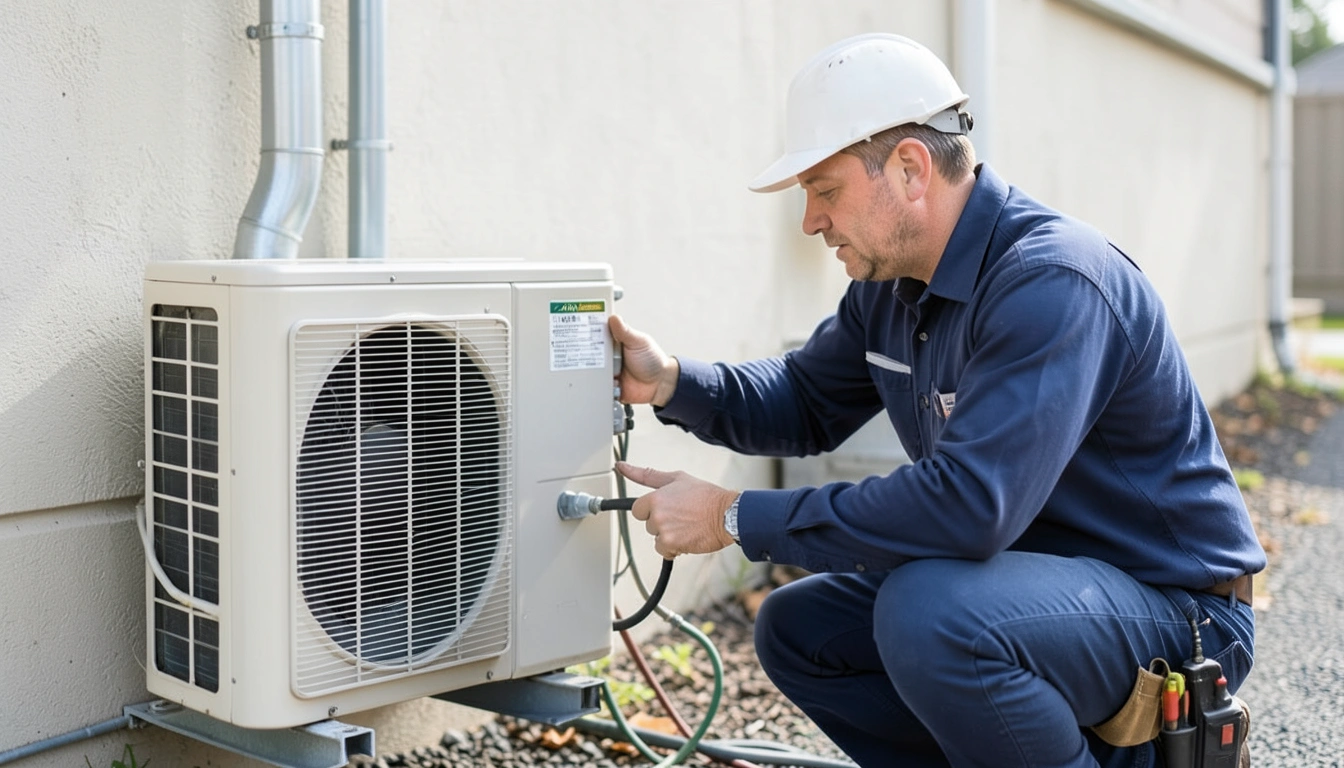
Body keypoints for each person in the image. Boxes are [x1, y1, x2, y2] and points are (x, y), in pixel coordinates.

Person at [609, 33, 1265, 768]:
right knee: (801, 628)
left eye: (825, 191)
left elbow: (968, 507)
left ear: (912, 168)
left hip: (1175, 611)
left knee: (931, 614)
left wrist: (734, 516)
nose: (811, 222)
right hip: (1030, 593)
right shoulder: (889, 292)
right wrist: (667, 379)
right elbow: (803, 400)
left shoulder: (1053, 282)